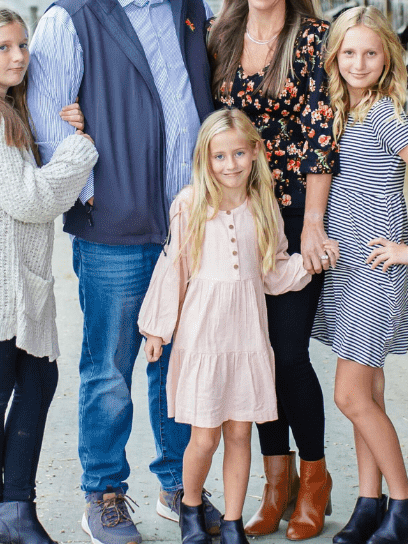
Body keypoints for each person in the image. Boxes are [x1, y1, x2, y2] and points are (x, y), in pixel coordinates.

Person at [27, 0, 219, 544]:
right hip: (114, 227)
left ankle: (176, 484)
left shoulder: (191, 5)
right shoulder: (73, 16)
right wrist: (90, 196)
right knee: (109, 364)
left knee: (181, 361)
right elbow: (47, 118)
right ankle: (104, 493)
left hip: (189, 224)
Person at [0, 2, 98, 544]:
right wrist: (80, 151)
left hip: (15, 272)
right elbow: (29, 198)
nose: (18, 56)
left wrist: (60, 127)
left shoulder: (5, 107)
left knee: (35, 377)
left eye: (23, 45)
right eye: (2, 47)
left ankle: (10, 511)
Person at [206, 0, 339, 540]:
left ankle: (314, 480)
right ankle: (274, 481)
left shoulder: (313, 38)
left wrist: (312, 224)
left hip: (296, 211)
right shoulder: (220, 36)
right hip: (241, 214)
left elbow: (319, 133)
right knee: (254, 353)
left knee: (287, 352)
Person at [312, 6, 408, 544]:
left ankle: (403, 502)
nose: (358, 62)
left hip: (375, 269)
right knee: (368, 394)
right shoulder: (337, 110)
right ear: (335, 56)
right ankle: (368, 502)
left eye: (371, 52)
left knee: (349, 396)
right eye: (349, 52)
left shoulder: (385, 116)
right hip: (344, 268)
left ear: (388, 57)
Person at [138, 109, 313, 544]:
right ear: (206, 159)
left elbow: (272, 270)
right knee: (204, 437)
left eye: (238, 153)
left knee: (239, 432)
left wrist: (307, 265)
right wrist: (158, 329)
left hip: (247, 334)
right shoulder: (190, 203)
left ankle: (233, 522)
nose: (230, 164)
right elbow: (174, 269)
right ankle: (192, 508)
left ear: (255, 152)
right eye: (219, 156)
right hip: (203, 335)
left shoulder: (263, 204)